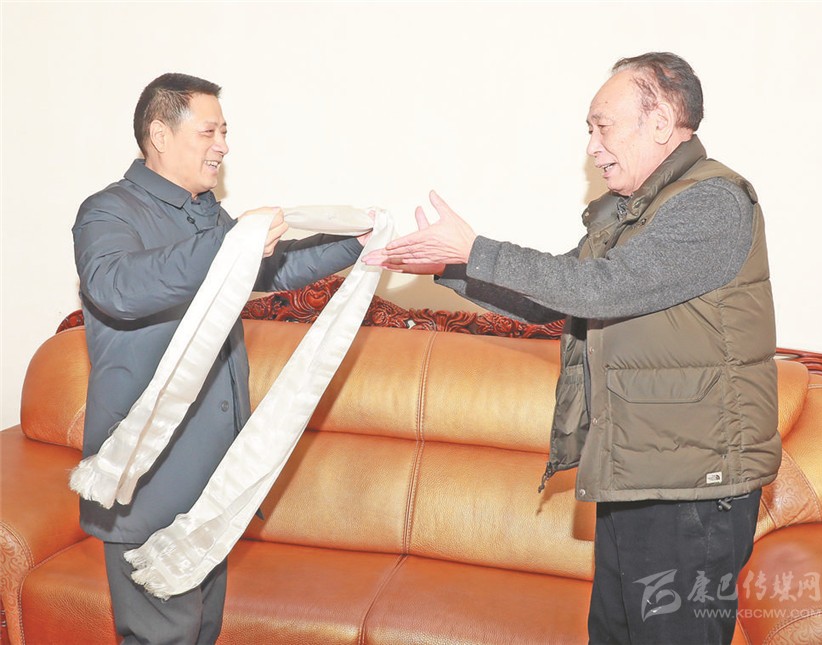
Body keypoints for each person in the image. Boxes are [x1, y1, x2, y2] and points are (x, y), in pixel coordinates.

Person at [364, 52, 781, 644]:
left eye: (602, 126)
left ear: (661, 122)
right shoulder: (638, 212)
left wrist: (476, 249)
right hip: (639, 469)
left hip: (692, 487)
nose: (592, 146)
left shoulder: (711, 202)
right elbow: (558, 295)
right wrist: (451, 266)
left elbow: (601, 288)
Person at [72, 72, 368, 644]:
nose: (224, 146)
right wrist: (230, 243)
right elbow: (117, 288)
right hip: (149, 480)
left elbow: (274, 269)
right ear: (161, 134)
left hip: (213, 482)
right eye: (210, 132)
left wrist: (354, 243)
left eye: (225, 132)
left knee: (202, 631)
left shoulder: (206, 214)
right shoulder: (108, 212)